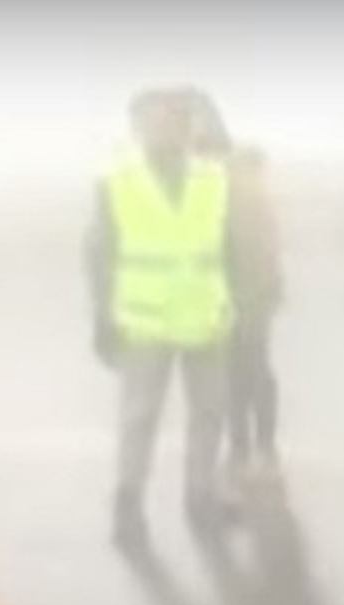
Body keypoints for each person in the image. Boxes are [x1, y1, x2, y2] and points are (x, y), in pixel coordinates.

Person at [86, 87, 239, 548]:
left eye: (174, 118)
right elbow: (99, 255)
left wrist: (236, 305)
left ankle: (201, 498)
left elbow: (225, 248)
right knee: (139, 419)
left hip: (206, 317)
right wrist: (102, 318)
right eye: (152, 120)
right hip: (146, 322)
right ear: (137, 129)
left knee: (210, 414)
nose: (164, 127)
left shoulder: (214, 178)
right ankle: (127, 508)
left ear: (188, 125)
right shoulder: (117, 183)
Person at [185, 91, 285, 486]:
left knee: (251, 370)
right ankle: (245, 447)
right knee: (233, 375)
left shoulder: (232, 175)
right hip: (217, 293)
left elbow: (258, 240)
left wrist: (256, 292)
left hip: (246, 292)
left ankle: (260, 448)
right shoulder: (201, 175)